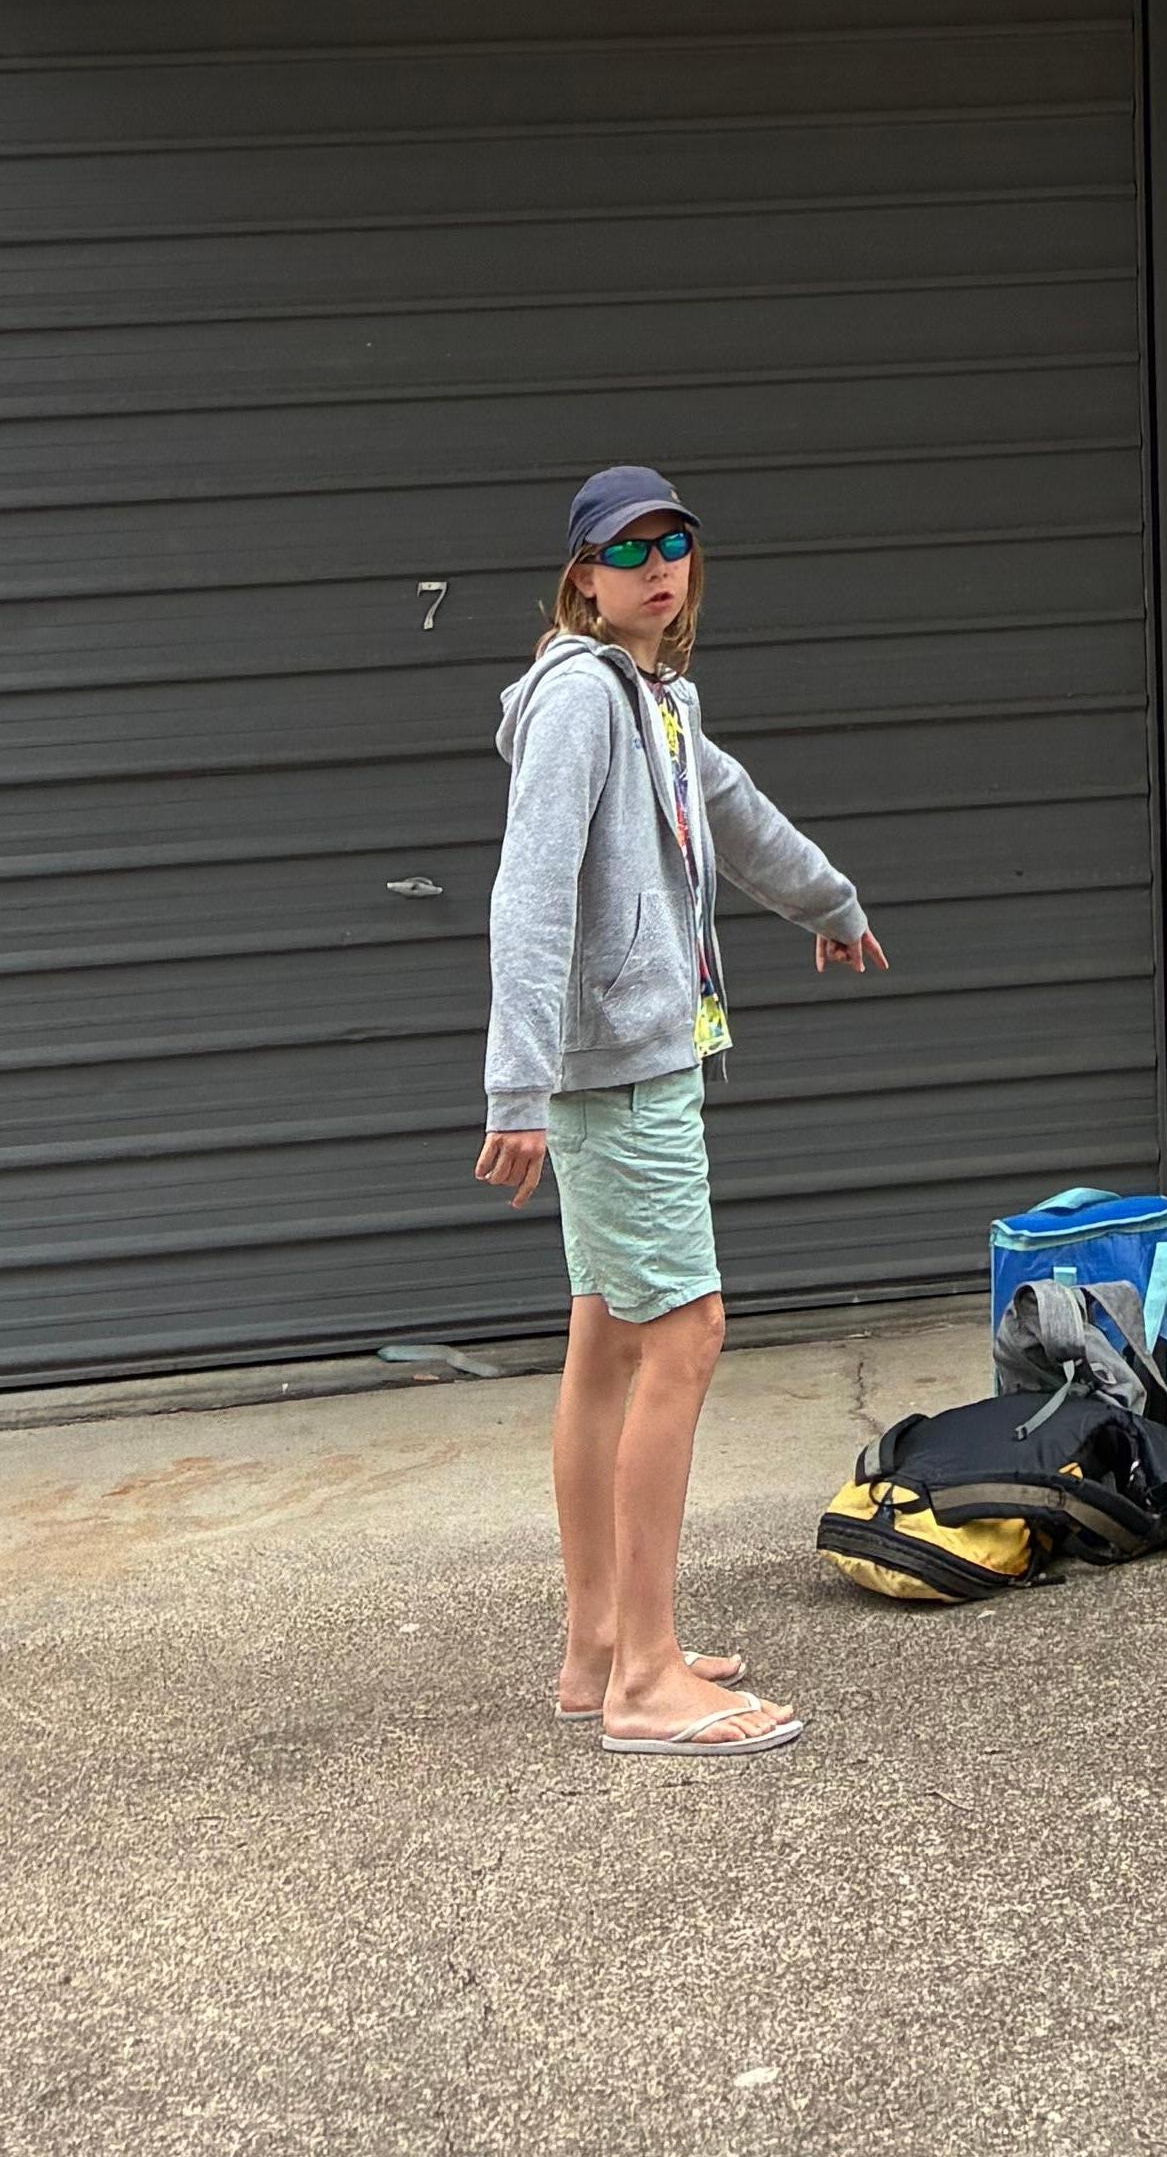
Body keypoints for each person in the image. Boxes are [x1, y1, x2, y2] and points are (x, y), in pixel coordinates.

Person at [476, 459, 886, 1753]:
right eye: (627, 549)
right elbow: (530, 888)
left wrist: (830, 904)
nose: (657, 566)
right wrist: (516, 1082)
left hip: (629, 1059)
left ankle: (599, 1646)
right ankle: (649, 1682)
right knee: (689, 1332)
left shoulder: (655, 699)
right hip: (618, 1069)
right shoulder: (581, 700)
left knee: (607, 1337)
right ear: (582, 578)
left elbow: (737, 814)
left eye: (674, 544)